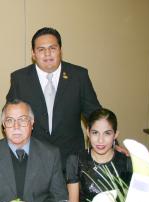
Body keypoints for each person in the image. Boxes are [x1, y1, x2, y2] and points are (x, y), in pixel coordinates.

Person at [6, 27, 101, 168]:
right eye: (41, 49)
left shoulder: (78, 76)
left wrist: (112, 144)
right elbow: (10, 119)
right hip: (32, 160)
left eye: (52, 48)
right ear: (33, 53)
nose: (47, 54)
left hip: (71, 160)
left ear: (60, 50)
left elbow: (95, 115)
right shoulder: (20, 79)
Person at [66, 108, 132, 202]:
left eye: (107, 133)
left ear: (115, 134)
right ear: (88, 132)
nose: (100, 140)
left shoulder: (126, 162)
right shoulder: (75, 160)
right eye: (95, 133)